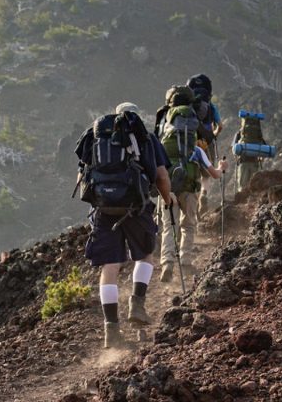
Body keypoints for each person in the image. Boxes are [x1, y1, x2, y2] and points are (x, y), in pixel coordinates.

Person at [76, 104, 174, 347]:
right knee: (145, 257)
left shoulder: (95, 138)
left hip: (103, 209)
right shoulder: (145, 138)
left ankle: (112, 331)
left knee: (109, 267)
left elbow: (82, 178)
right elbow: (161, 176)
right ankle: (137, 305)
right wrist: (167, 198)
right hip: (135, 206)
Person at [158, 105, 228, 282]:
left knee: (168, 227)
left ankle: (167, 264)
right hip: (190, 191)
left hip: (168, 192)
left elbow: (157, 172)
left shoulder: (163, 146)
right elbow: (214, 174)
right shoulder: (196, 149)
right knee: (188, 226)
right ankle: (186, 263)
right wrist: (222, 167)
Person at [187, 74, 224, 218]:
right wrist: (212, 135)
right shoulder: (210, 106)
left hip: (190, 141)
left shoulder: (188, 105)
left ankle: (193, 201)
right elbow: (220, 126)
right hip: (205, 143)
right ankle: (204, 194)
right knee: (206, 174)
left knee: (192, 174)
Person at [235, 111, 266, 192]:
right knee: (255, 186)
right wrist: (261, 158)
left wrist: (237, 156)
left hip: (243, 162)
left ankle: (242, 201)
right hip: (254, 162)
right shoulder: (258, 134)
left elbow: (234, 149)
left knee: (242, 187)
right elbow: (264, 148)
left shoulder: (240, 134)